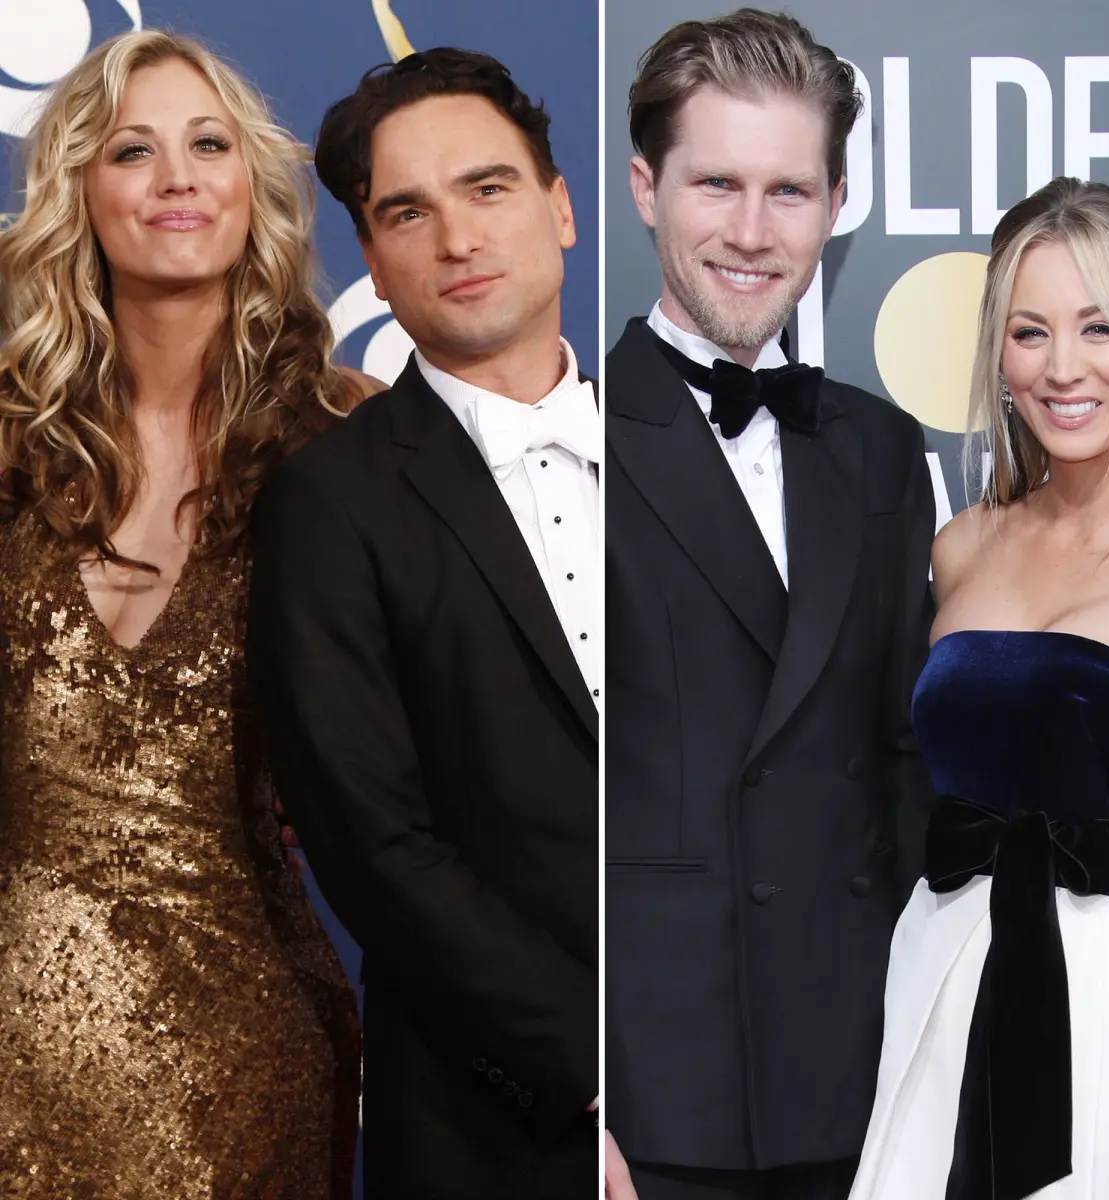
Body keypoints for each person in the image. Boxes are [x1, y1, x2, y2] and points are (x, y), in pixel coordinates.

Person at [0, 29, 382, 1198]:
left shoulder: (350, 438)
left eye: (209, 145)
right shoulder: (9, 443)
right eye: (133, 151)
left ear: (251, 185)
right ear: (80, 193)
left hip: (250, 1052)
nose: (176, 177)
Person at [245, 48, 600, 1199]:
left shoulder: (696, 460)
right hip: (493, 1125)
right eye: (409, 212)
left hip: (759, 1115)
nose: (457, 238)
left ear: (561, 209)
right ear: (373, 263)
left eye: (488, 188)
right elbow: (373, 846)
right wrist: (600, 1069)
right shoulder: (327, 501)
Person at [604, 10, 936, 1199]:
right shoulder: (568, 433)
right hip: (654, 1102)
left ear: (836, 203)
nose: (751, 233)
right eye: (717, 185)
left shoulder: (883, 449)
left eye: (789, 191)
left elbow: (902, 766)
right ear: (645, 187)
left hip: (860, 1081)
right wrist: (572, 1094)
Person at [847, 177, 1109, 1199]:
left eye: (1098, 327)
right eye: (1029, 331)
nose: (1063, 368)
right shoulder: (962, 547)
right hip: (935, 982)